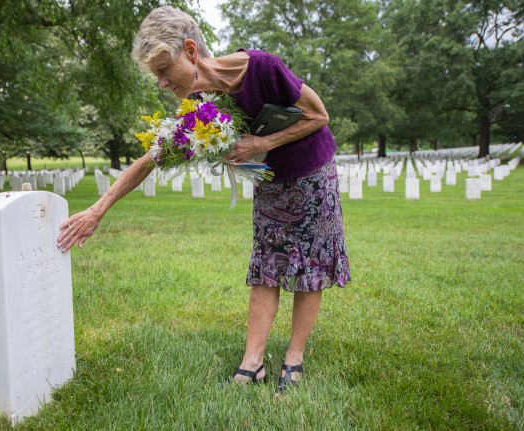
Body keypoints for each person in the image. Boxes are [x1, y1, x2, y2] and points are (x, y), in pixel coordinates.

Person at [56, 6, 350, 393]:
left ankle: (293, 358)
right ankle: (253, 362)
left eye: (164, 70)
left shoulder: (262, 67)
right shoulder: (201, 105)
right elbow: (150, 159)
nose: (161, 83)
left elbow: (318, 115)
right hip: (271, 184)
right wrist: (98, 209)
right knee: (267, 266)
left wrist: (260, 143)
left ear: (191, 52)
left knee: (309, 265)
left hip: (313, 171)